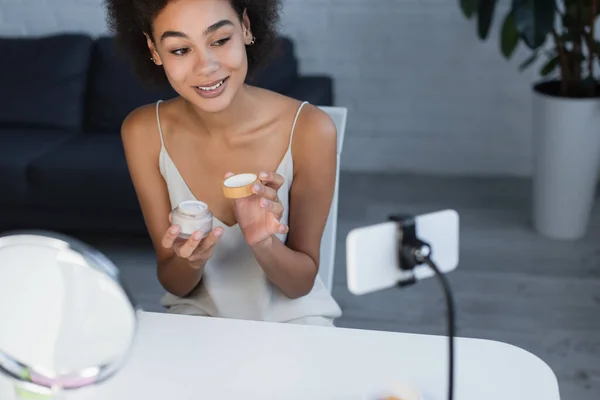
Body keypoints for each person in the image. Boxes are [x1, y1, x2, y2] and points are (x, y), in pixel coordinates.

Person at [104, 0, 343, 326]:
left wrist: (264, 243)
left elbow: (299, 286)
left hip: (294, 324)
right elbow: (175, 284)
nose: (206, 66)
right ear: (154, 50)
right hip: (199, 325)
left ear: (245, 27)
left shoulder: (310, 129)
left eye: (219, 41)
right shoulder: (144, 132)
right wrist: (190, 261)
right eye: (179, 50)